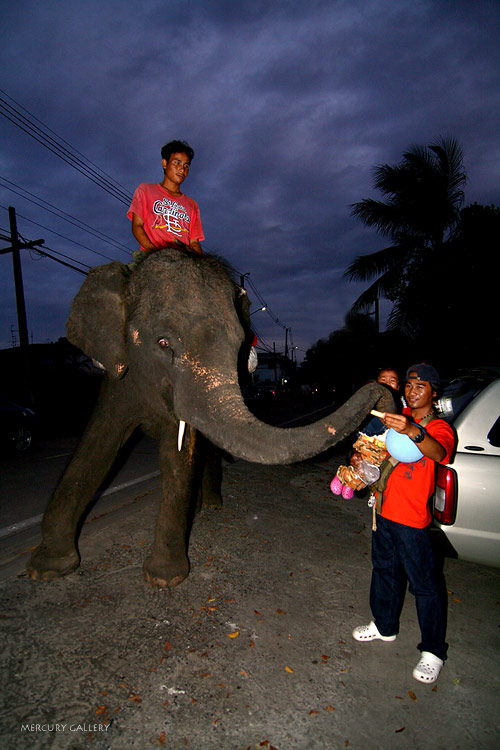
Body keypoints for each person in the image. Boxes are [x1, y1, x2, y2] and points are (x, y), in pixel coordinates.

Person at [352, 363, 456, 685]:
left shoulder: (439, 427)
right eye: (409, 385)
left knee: (425, 585)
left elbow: (439, 453)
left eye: (420, 386)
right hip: (383, 511)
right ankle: (385, 626)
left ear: (433, 392)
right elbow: (375, 450)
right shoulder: (394, 416)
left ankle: (433, 651)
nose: (412, 391)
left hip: (412, 521)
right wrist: (360, 459)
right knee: (383, 570)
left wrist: (412, 430)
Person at [330, 367, 401, 499]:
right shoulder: (371, 401)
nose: (387, 383)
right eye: (383, 380)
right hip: (368, 440)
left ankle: (349, 484)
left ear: (398, 386)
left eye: (392, 381)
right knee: (365, 467)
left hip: (384, 449)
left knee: (368, 472)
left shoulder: (402, 405)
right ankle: (341, 476)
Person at [127, 140, 204, 257]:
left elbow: (194, 242)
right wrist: (155, 254)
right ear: (164, 163)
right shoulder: (145, 190)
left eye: (186, 165)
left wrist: (200, 264)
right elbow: (137, 226)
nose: (182, 169)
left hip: (183, 262)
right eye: (177, 163)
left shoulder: (192, 204)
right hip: (150, 257)